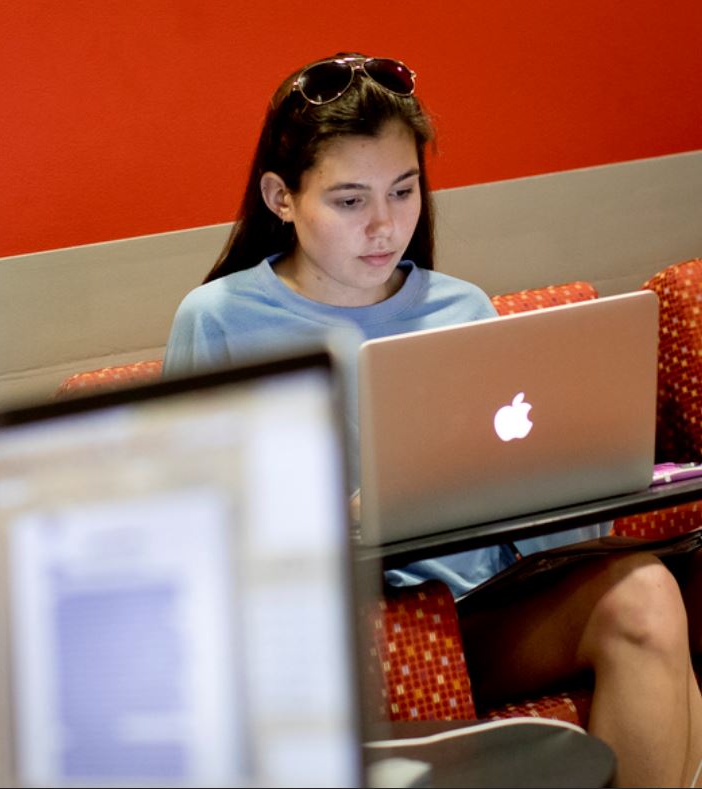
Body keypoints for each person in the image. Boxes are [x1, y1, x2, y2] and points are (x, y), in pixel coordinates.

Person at [162, 52, 702, 787]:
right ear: (280, 197)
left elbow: (529, 528)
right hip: (357, 625)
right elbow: (184, 527)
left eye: (404, 190)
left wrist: (568, 480)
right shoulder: (219, 319)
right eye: (350, 201)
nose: (385, 225)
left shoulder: (461, 306)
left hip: (482, 607)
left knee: (648, 590)